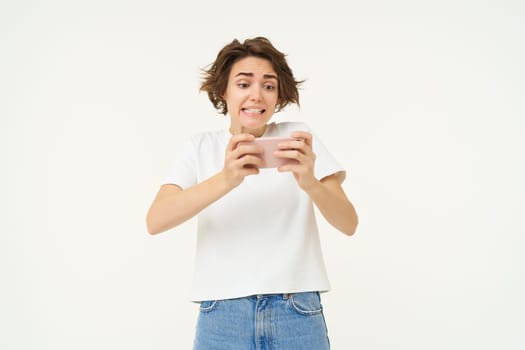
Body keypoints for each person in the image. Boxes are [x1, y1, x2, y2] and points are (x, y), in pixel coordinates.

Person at [146, 36, 358, 350]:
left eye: (269, 86)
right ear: (224, 91)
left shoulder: (299, 138)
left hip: (296, 310)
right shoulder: (200, 147)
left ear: (278, 95)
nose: (256, 95)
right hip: (222, 313)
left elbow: (349, 223)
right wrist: (226, 179)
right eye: (244, 84)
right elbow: (156, 220)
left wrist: (309, 181)